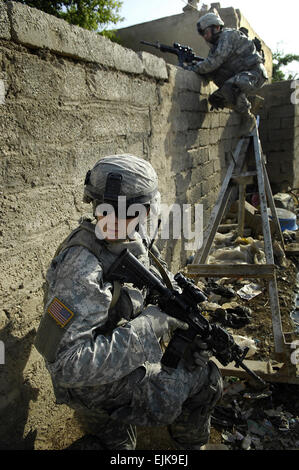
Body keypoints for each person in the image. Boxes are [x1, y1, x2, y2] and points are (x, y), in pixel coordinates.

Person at [34, 154, 223, 450]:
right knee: (207, 380)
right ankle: (187, 446)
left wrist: (182, 319)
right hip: (90, 386)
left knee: (120, 445)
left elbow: (153, 276)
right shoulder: (81, 268)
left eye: (127, 213)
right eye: (106, 210)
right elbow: (66, 367)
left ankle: (110, 429)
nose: (114, 221)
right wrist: (148, 327)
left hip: (121, 358)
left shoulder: (135, 235)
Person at [189, 12, 268, 135]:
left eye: (206, 32)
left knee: (230, 88)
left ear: (216, 27)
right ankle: (242, 104)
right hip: (241, 75)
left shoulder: (228, 36)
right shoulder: (214, 48)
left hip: (255, 73)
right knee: (216, 99)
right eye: (203, 34)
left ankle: (248, 118)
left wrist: (193, 68)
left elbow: (213, 62)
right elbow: (210, 70)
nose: (205, 37)